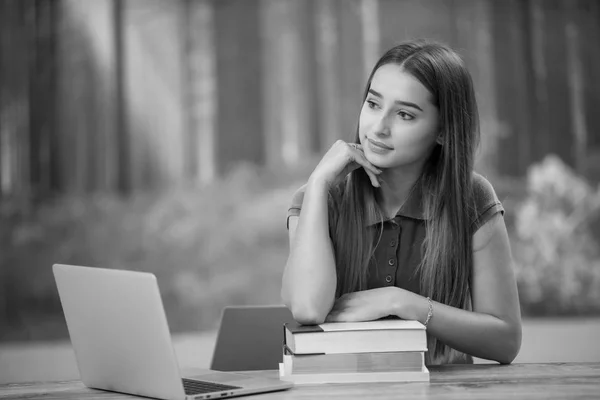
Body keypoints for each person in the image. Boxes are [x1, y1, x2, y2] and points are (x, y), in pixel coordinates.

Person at [281, 40, 522, 365]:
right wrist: (320, 181)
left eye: (405, 114)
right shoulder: (319, 198)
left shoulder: (472, 197)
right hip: (341, 390)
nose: (379, 128)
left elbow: (505, 341)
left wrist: (402, 302)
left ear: (443, 130)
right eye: (373, 104)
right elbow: (307, 308)